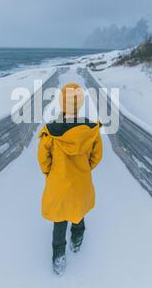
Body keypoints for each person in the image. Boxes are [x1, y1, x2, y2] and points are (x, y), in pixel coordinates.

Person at [37, 83, 103, 276]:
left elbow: (43, 160)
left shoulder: (51, 131)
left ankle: (59, 257)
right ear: (80, 104)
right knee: (78, 210)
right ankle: (77, 239)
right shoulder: (91, 130)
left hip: (58, 184)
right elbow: (96, 157)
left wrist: (51, 174)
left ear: (62, 104)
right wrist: (84, 169)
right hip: (81, 182)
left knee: (59, 220)